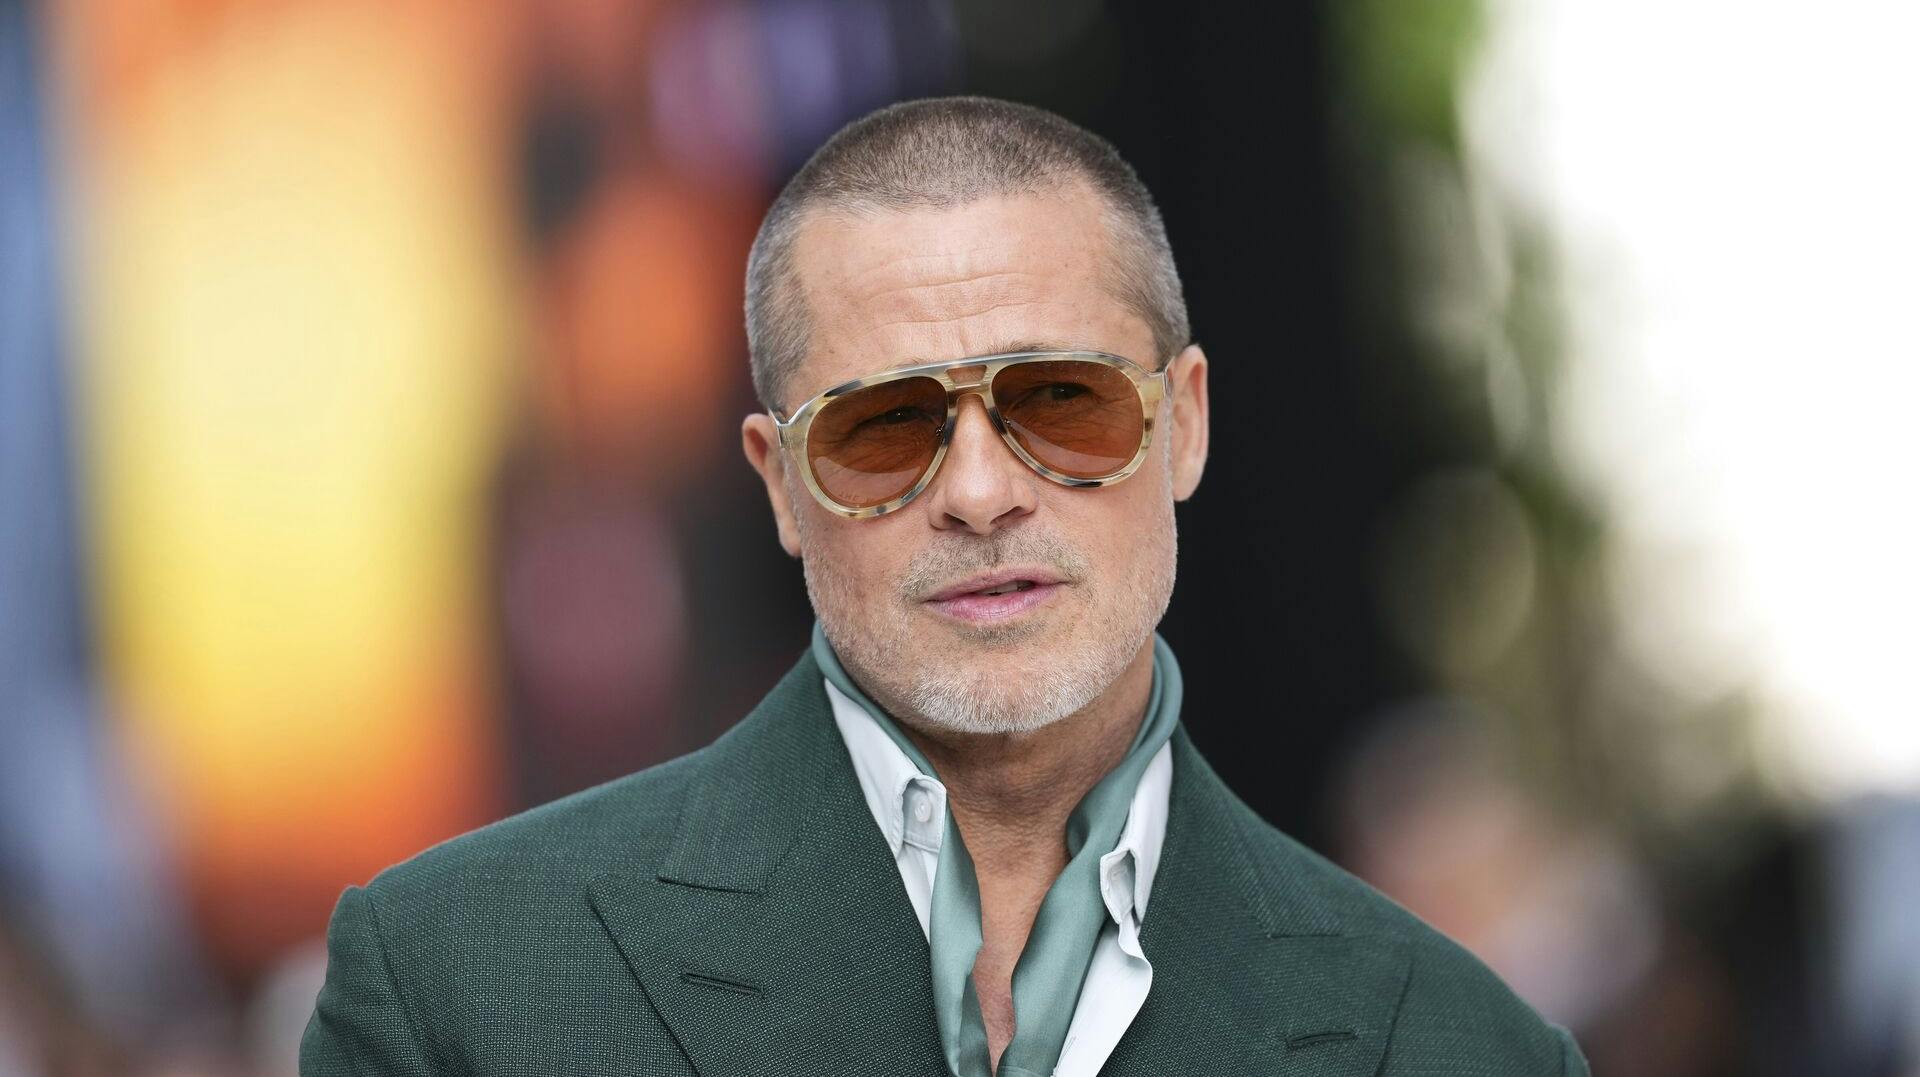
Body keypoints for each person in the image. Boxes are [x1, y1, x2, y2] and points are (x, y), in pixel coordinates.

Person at [301, 96, 1590, 1077]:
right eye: (884, 429)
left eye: (1062, 403)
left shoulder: (1466, 1050)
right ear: (780, 488)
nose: (980, 491)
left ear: (1184, 425)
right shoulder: (456, 988)